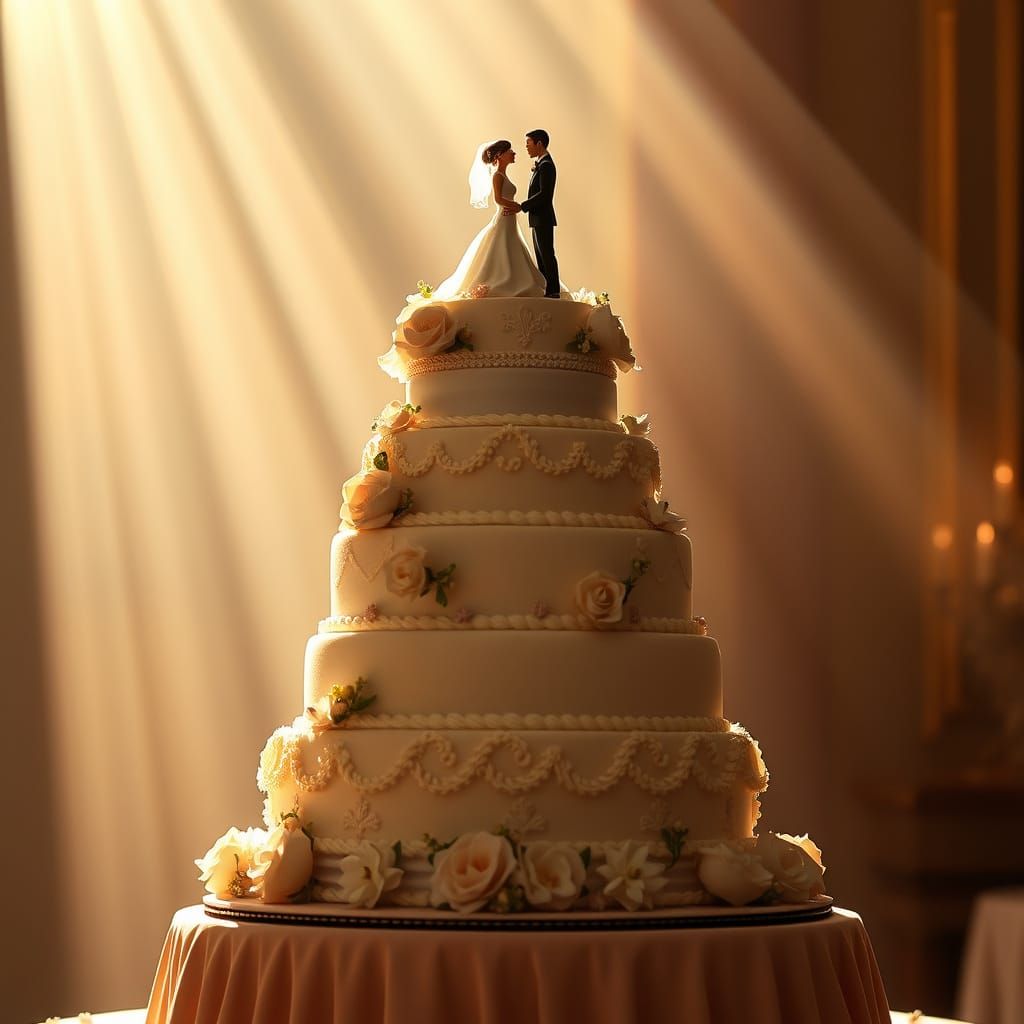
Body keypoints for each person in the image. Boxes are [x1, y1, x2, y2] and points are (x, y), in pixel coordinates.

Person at [432, 139, 546, 299]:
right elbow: (498, 199)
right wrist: (517, 206)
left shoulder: (503, 175)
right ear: (499, 155)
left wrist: (517, 207)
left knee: (512, 247)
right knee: (502, 247)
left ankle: (515, 280)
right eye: (510, 151)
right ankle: (503, 279)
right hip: (504, 216)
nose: (513, 153)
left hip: (510, 218)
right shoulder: (497, 176)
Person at [521, 129, 560, 298]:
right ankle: (547, 290)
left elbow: (545, 194)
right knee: (541, 256)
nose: (526, 147)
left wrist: (523, 206)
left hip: (543, 218)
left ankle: (553, 291)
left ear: (539, 143)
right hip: (537, 218)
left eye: (528, 143)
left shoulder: (546, 165)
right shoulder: (541, 164)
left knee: (547, 255)